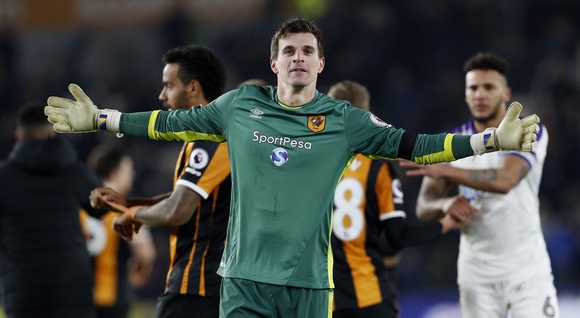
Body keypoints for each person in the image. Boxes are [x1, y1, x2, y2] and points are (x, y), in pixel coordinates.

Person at [45, 17, 540, 318]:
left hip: (309, 286)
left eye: (307, 51)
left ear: (321, 64)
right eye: (289, 51)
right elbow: (169, 122)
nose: (298, 57)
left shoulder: (345, 121)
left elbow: (417, 143)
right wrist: (103, 119)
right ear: (275, 62)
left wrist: (490, 139)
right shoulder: (240, 106)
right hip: (242, 282)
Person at [401, 52, 559, 318]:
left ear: (505, 92)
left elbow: (506, 180)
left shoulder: (527, 132)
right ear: (465, 94)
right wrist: (445, 203)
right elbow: (423, 208)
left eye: (489, 87)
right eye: (473, 88)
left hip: (527, 272)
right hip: (476, 276)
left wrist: (447, 171)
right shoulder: (452, 141)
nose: (480, 95)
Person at [89, 44, 230, 318]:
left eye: (168, 85)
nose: (161, 95)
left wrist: (133, 213)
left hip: (198, 288)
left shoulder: (210, 140)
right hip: (210, 287)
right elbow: (191, 202)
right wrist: (128, 204)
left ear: (192, 88)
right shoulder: (205, 140)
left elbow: (178, 210)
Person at [327, 80, 468, 318]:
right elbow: (396, 237)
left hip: (325, 301)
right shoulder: (377, 167)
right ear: (365, 114)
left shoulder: (311, 164)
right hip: (369, 296)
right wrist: (445, 224)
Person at [0, 103, 104, 318]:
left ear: (18, 136)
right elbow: (101, 208)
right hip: (73, 290)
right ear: (51, 133)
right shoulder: (73, 171)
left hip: (23, 289)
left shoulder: (2, 177)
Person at [81, 144, 156, 318]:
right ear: (115, 173)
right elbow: (145, 254)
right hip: (112, 299)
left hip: (77, 299)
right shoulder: (125, 209)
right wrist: (140, 269)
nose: (133, 176)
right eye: (128, 171)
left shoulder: (78, 205)